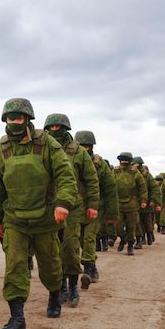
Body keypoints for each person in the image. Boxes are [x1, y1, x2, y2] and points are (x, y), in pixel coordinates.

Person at [0, 98, 77, 329]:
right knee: (15, 266)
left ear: (27, 119)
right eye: (10, 118)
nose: (14, 122)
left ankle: (54, 296)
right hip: (14, 219)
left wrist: (63, 203)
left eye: (18, 118)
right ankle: (17, 317)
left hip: (45, 218)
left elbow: (65, 174)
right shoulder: (2, 149)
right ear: (5, 120)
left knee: (50, 264)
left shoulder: (46, 143)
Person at [44, 114, 99, 306]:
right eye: (51, 127)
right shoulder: (43, 148)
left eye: (58, 126)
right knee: (53, 250)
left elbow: (91, 180)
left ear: (66, 128)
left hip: (74, 207)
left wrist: (92, 205)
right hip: (49, 207)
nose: (55, 130)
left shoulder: (78, 152)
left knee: (70, 248)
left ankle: (73, 285)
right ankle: (60, 287)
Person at [74, 130, 118, 287]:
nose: (85, 149)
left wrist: (112, 214)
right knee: (79, 239)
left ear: (92, 146)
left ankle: (88, 267)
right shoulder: (70, 159)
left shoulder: (101, 165)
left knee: (89, 238)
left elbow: (110, 189)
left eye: (88, 146)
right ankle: (91, 265)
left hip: (95, 208)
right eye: (82, 146)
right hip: (75, 208)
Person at [113, 152, 147, 255]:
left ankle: (130, 246)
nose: (124, 161)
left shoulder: (135, 173)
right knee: (117, 226)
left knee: (131, 227)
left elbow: (142, 188)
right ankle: (123, 239)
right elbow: (109, 186)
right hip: (118, 203)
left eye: (126, 159)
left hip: (132, 204)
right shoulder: (115, 171)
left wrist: (144, 200)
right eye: (122, 159)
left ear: (129, 161)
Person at [132, 159, 161, 247]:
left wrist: (153, 200)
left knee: (147, 221)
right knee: (138, 222)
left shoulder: (147, 175)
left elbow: (154, 189)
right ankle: (141, 239)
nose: (134, 165)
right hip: (135, 202)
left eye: (136, 164)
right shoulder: (131, 173)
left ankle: (149, 234)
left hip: (147, 203)